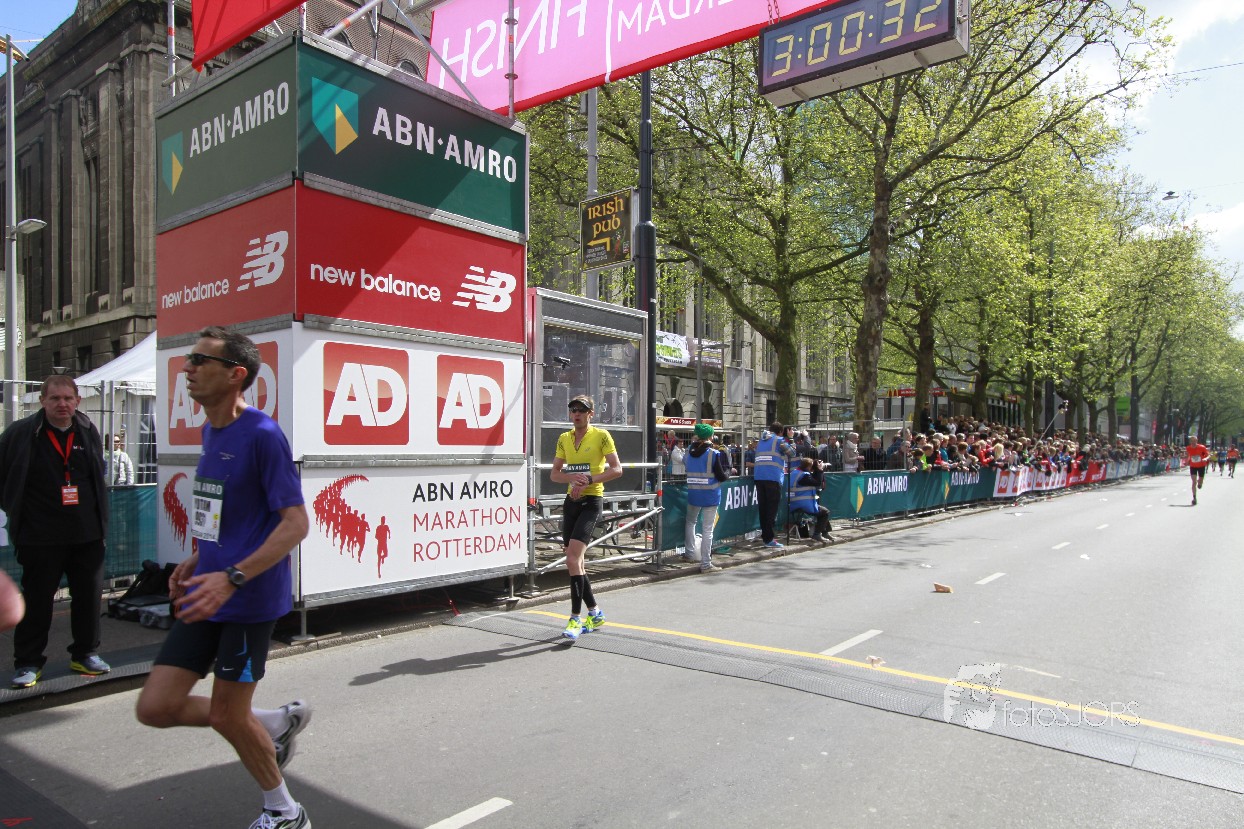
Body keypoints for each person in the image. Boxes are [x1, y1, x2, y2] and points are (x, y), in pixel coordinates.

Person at [135, 327, 312, 829]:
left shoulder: (262, 435)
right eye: (188, 359)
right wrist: (198, 557)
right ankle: (273, 723)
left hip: (247, 599)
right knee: (156, 707)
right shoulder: (210, 432)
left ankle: (285, 812)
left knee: (227, 714)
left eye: (200, 360)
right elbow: (222, 511)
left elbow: (296, 524)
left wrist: (231, 575)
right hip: (208, 588)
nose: (187, 368)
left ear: (235, 375)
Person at [0, 375, 110, 689]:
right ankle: (28, 662)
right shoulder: (22, 433)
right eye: (55, 399)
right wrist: (14, 510)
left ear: (77, 401)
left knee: (88, 597)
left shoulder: (87, 429)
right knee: (37, 601)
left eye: (68, 398)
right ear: (42, 401)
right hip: (39, 536)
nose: (62, 404)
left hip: (87, 533)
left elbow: (96, 473)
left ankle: (85, 654)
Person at [549, 394, 623, 641]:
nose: (577, 414)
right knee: (575, 562)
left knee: (572, 559)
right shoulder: (564, 438)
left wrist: (589, 480)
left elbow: (617, 469)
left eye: (582, 410)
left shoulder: (601, 435)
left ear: (591, 414)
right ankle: (595, 611)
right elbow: (554, 474)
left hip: (591, 502)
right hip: (571, 502)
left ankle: (575, 619)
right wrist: (572, 479)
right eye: (573, 410)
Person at [681, 423, 732, 572]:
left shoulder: (688, 452)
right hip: (710, 495)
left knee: (690, 522)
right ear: (710, 436)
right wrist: (729, 471)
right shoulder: (713, 454)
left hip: (693, 493)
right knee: (707, 530)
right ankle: (706, 564)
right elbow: (721, 476)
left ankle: (689, 554)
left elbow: (686, 464)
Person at [753, 421, 794, 549]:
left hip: (759, 477)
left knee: (763, 509)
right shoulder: (779, 440)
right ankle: (769, 539)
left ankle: (766, 537)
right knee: (772, 510)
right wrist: (791, 438)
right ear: (781, 431)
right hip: (773, 478)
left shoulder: (761, 441)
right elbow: (792, 453)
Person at [789, 457, 832, 543]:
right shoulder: (804, 476)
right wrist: (819, 470)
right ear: (808, 467)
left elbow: (813, 480)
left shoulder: (795, 472)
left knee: (822, 511)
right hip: (803, 504)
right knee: (825, 512)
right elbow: (817, 483)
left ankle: (824, 533)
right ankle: (817, 534)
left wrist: (817, 471)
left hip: (794, 502)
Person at [1185, 435, 1210, 506]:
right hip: (1193, 466)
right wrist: (1187, 461)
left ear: (1197, 441)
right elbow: (1188, 455)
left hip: (1201, 465)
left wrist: (1205, 458)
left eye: (1194, 441)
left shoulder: (1202, 447)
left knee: (1200, 482)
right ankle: (1194, 498)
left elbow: (1208, 455)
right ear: (1190, 442)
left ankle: (1200, 483)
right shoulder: (1188, 448)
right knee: (1194, 482)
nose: (1193, 442)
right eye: (1192, 441)